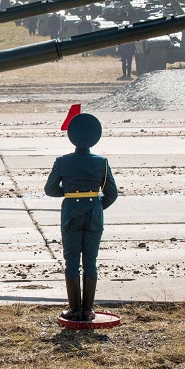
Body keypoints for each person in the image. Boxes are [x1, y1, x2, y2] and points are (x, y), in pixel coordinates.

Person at [44, 112, 118, 322]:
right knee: (91, 262)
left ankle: (75, 309)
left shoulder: (62, 162)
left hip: (71, 215)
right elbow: (112, 193)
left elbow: (50, 189)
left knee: (72, 262)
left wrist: (68, 192)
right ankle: (88, 310)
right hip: (94, 214)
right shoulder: (101, 162)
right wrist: (95, 205)